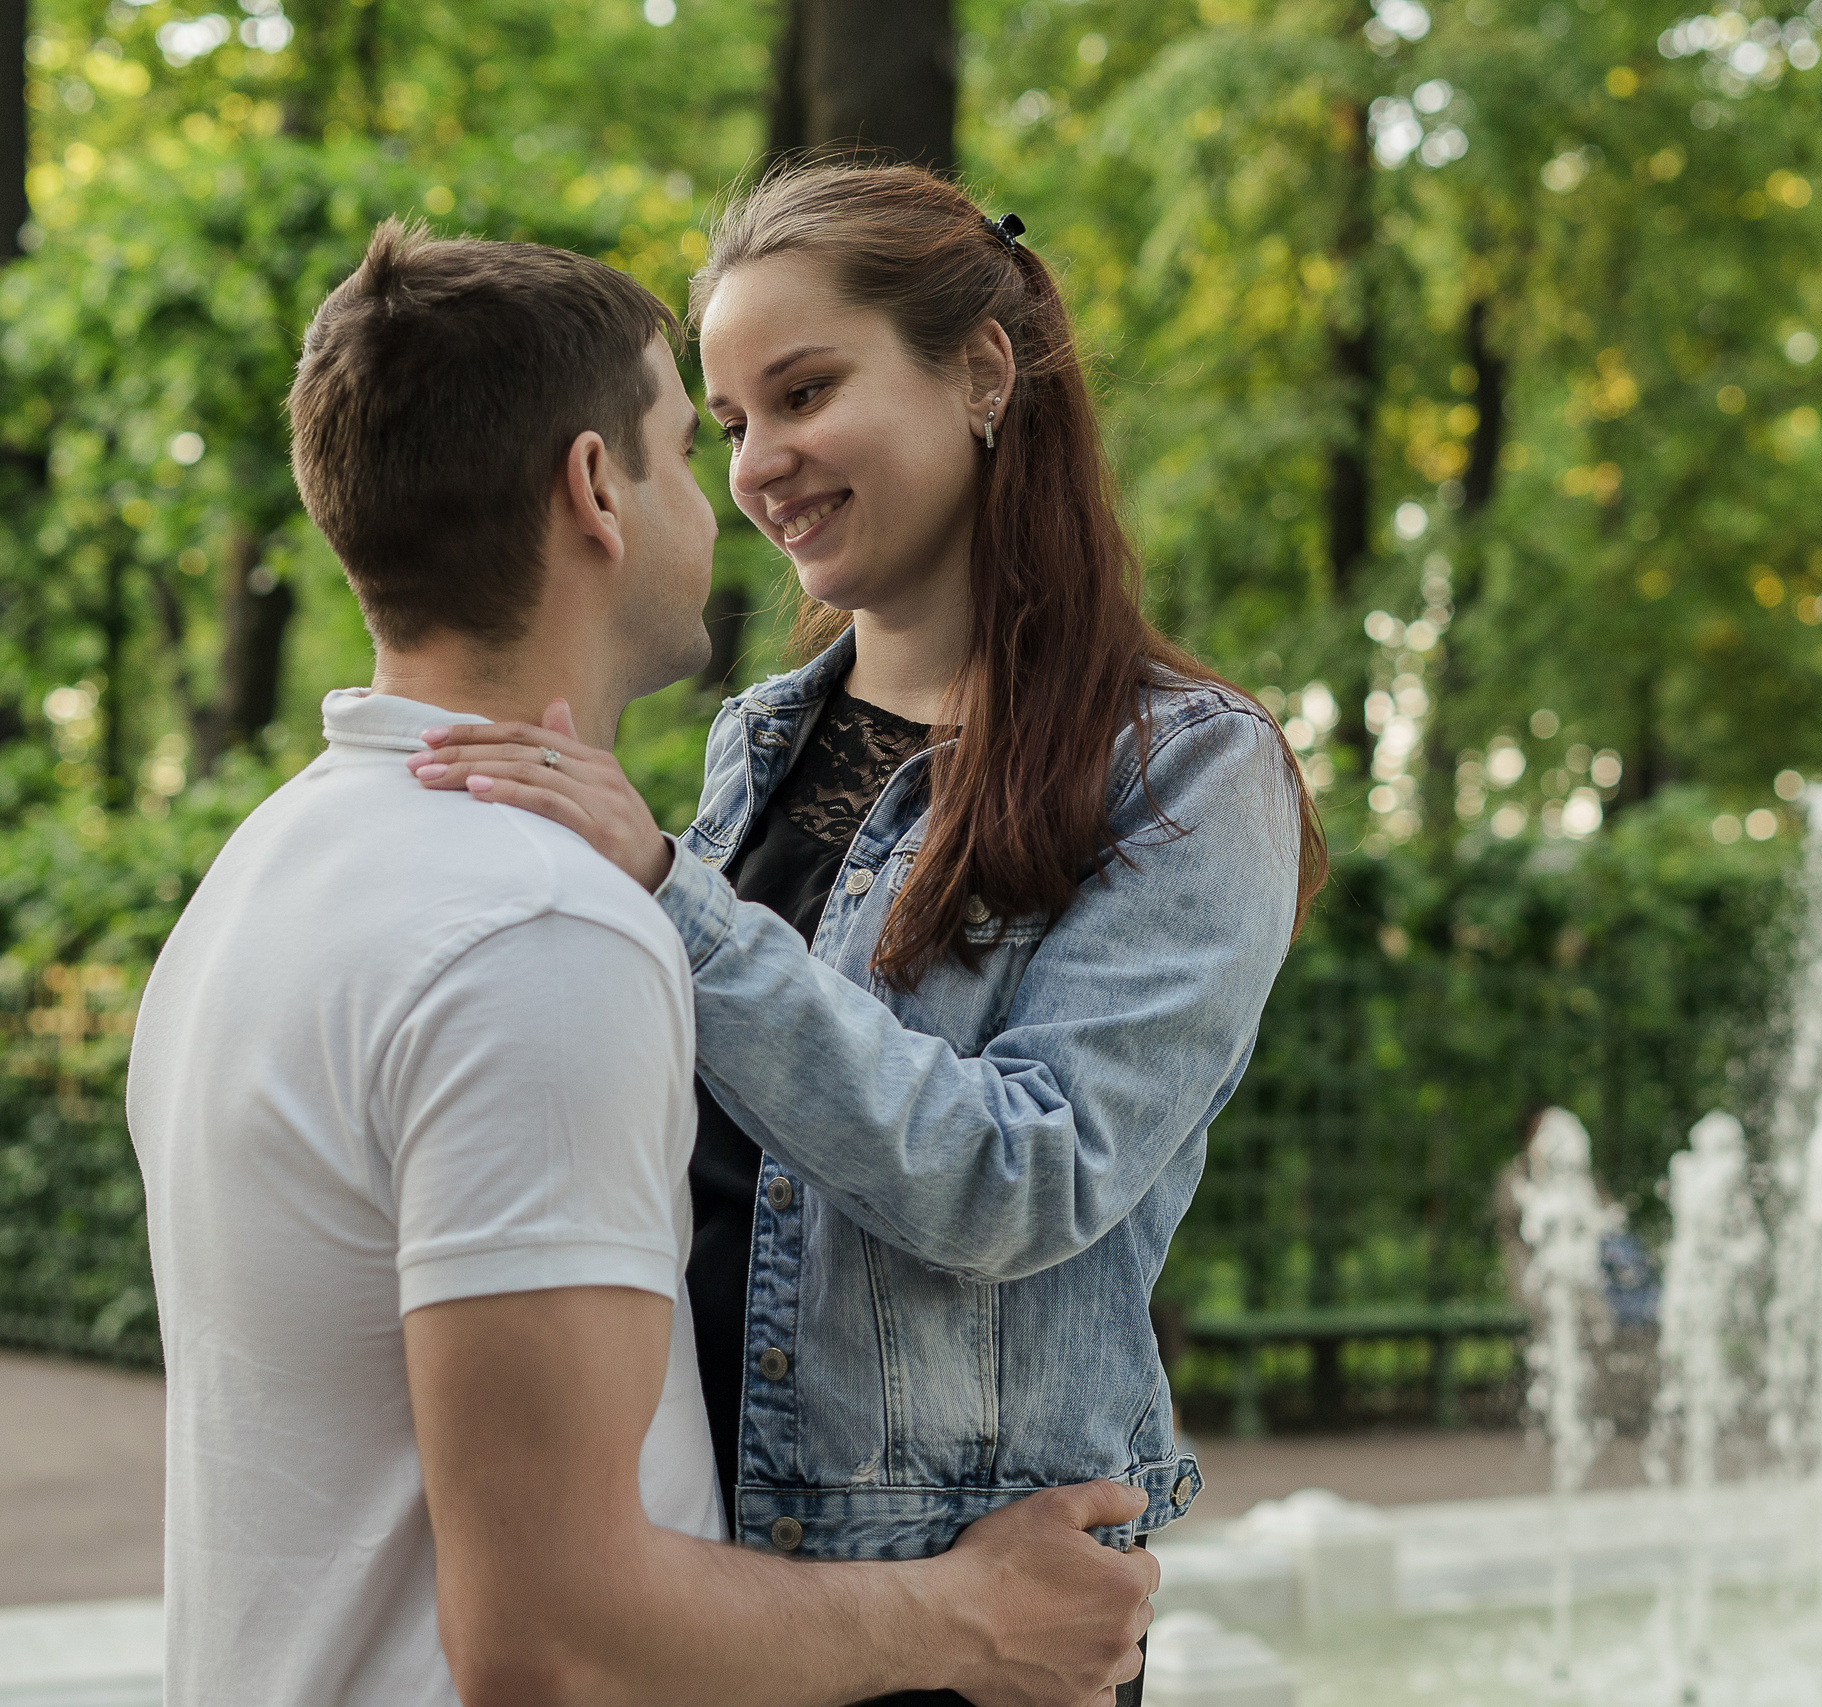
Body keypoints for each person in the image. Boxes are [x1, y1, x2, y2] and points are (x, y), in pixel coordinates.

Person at [126, 221, 1154, 1707]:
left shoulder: (269, 870)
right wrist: (974, 1619)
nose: (731, 489)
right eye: (696, 439)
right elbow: (553, 1636)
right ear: (595, 491)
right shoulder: (537, 932)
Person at [406, 164, 1326, 1699]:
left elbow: (1023, 1176)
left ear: (979, 374)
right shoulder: (757, 741)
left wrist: (670, 903)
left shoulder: (1192, 770)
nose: (760, 463)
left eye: (805, 391)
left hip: (966, 1619)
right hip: (698, 1584)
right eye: (728, 423)